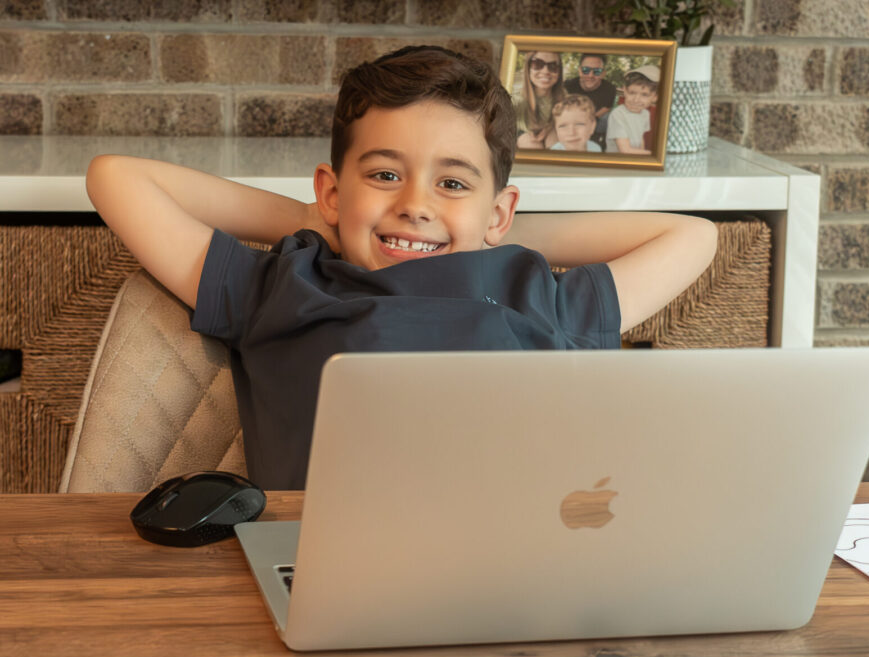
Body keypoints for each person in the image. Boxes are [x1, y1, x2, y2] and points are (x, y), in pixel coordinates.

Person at [86, 46, 717, 489]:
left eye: (452, 182)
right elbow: (116, 177)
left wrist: (485, 231)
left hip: (512, 565)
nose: (415, 205)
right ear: (333, 191)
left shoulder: (532, 293)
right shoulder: (285, 285)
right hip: (326, 562)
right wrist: (315, 217)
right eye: (385, 175)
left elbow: (691, 236)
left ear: (500, 212)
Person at [514, 50, 566, 149]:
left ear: (559, 72)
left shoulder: (565, 98)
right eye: (537, 64)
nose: (545, 71)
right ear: (528, 68)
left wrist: (550, 128)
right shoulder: (515, 99)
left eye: (553, 66)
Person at [564, 53, 616, 148]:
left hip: (594, 120)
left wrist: (589, 122)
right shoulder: (568, 86)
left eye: (597, 71)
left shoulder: (610, 89)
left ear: (603, 73)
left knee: (610, 118)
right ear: (580, 71)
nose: (590, 75)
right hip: (571, 120)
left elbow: (606, 108)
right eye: (586, 70)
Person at [606, 65, 659, 155]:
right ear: (624, 90)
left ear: (655, 97)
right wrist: (654, 156)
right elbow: (625, 150)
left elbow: (640, 139)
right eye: (632, 93)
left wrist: (642, 155)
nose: (636, 100)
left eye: (644, 95)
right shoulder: (618, 114)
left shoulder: (645, 113)